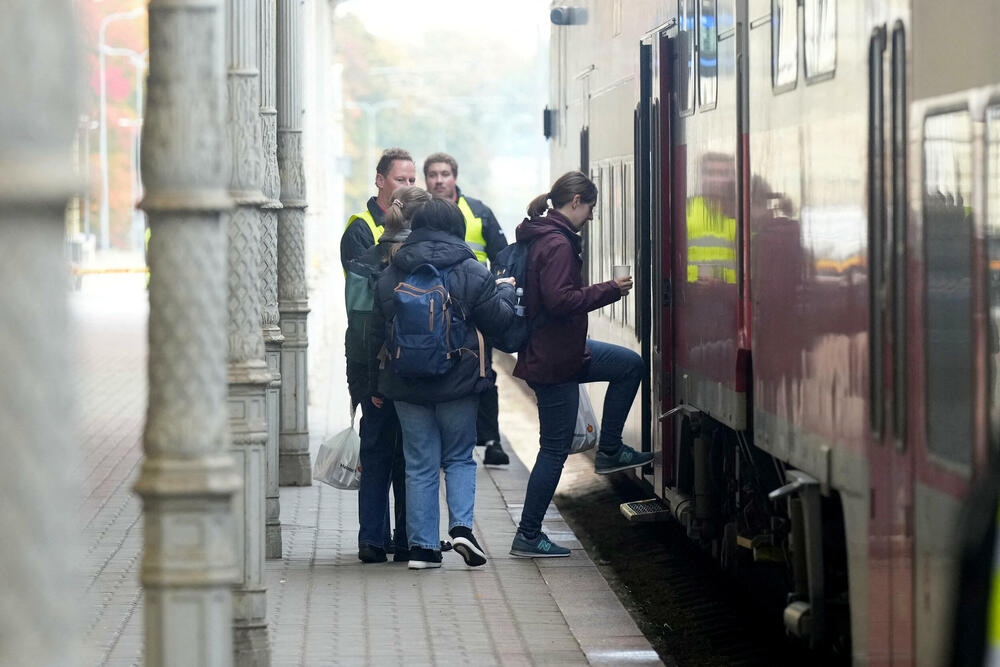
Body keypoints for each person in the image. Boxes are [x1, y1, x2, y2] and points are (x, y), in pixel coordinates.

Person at [508, 171, 653, 558]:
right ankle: (528, 534)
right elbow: (560, 300)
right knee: (554, 450)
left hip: (563, 350)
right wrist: (610, 290)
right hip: (554, 361)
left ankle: (610, 449)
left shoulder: (544, 235)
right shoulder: (556, 243)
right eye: (590, 207)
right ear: (575, 201)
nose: (591, 215)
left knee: (629, 365)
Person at [370, 198, 517, 570]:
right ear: (456, 228)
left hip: (405, 382)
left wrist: (374, 384)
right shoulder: (472, 271)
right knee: (458, 458)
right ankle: (462, 529)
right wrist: (504, 291)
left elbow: (375, 335)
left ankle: (422, 550)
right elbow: (498, 322)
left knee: (419, 463)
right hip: (458, 382)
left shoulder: (391, 272)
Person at [344, 185, 430, 563]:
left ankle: (371, 540)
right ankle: (408, 539)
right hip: (412, 376)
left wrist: (365, 385)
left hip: (372, 375)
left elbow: (359, 330)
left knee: (375, 453)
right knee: (412, 456)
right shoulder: (419, 262)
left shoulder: (363, 262)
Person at [424, 152, 511, 466]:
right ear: (426, 179)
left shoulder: (478, 212)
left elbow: (502, 256)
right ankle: (446, 441)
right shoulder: (419, 211)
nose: (439, 180)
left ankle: (491, 440)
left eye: (444, 174)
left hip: (474, 305)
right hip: (433, 308)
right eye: (433, 174)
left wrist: (495, 286)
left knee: (484, 370)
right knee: (437, 369)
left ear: (455, 177)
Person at [341, 147, 417, 268]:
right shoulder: (359, 229)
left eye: (411, 181)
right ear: (380, 180)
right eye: (400, 180)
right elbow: (363, 277)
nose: (408, 187)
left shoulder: (417, 224)